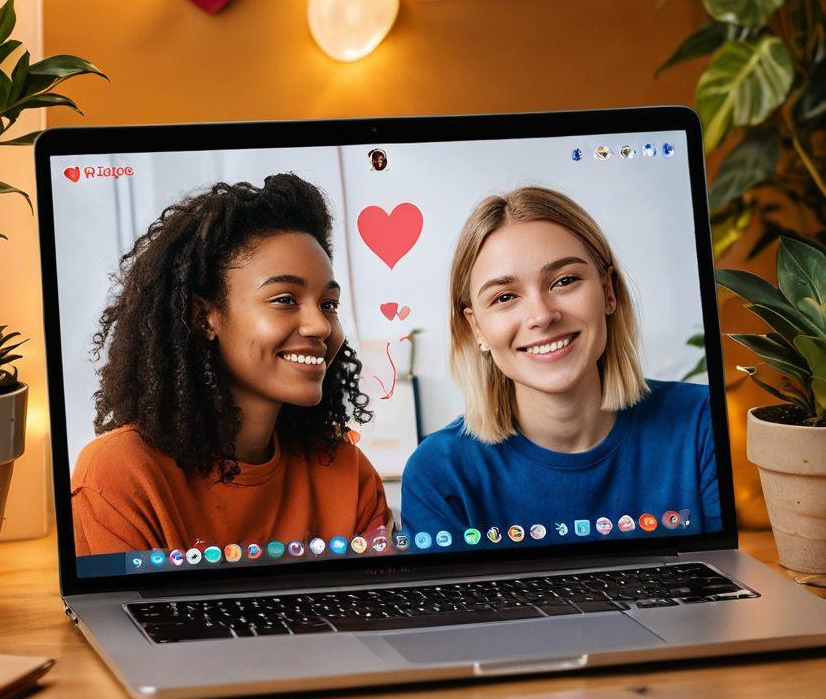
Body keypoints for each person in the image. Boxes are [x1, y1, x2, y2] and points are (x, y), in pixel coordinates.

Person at [72, 174, 390, 556]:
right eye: (285, 299)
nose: (321, 325)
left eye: (329, 304)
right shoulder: (120, 474)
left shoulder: (348, 472)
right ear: (205, 317)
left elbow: (375, 607)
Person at [401, 186, 721, 543]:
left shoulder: (702, 423)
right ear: (476, 327)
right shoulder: (439, 473)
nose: (541, 315)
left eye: (564, 281)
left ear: (608, 291)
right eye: (505, 297)